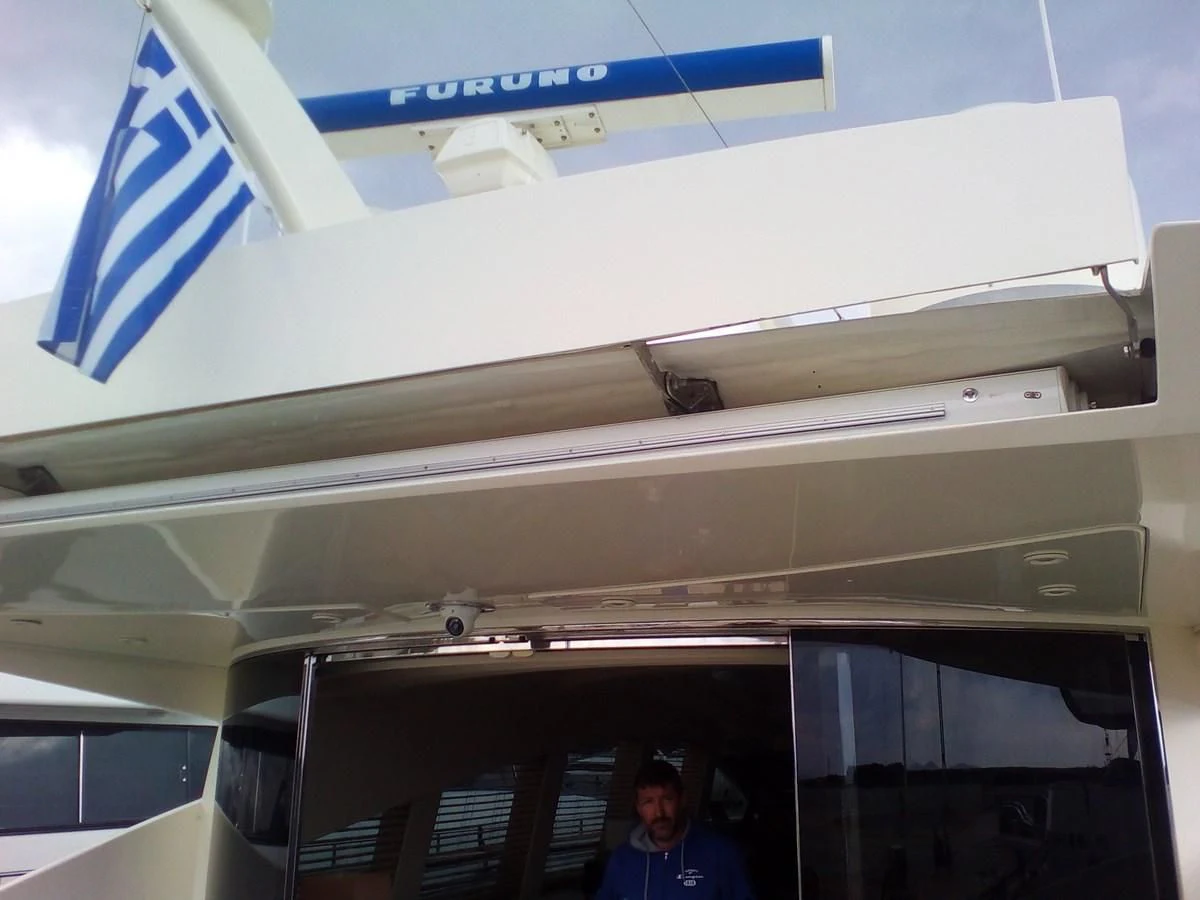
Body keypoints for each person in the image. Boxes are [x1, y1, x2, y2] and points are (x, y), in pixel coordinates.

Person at [596, 758, 755, 900]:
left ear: (682, 800)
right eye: (648, 802)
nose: (659, 812)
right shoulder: (621, 861)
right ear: (638, 807)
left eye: (667, 799)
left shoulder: (721, 854)